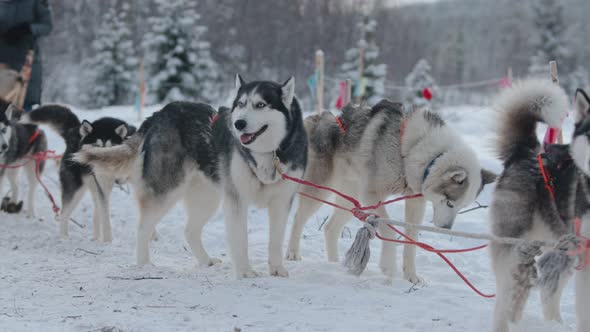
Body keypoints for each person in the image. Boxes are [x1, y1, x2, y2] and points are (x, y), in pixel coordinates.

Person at [0, 0, 52, 111]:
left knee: (25, 109)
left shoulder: (35, 2)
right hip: (2, 63)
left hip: (27, 62)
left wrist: (28, 29)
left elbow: (47, 26)